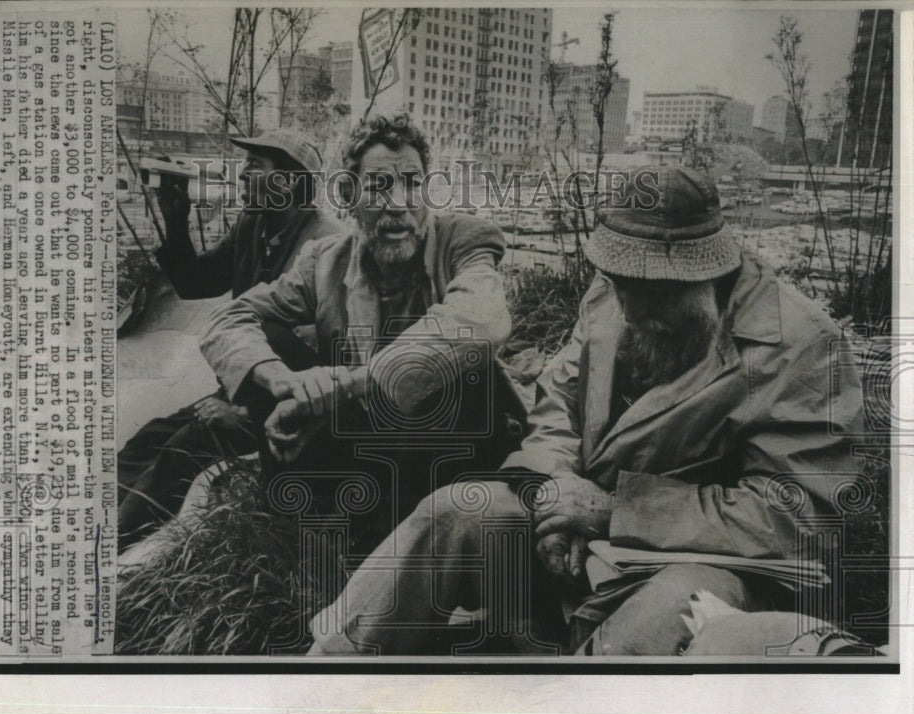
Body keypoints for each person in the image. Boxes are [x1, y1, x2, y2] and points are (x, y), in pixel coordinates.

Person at [306, 165, 866, 656]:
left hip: (705, 567)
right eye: (622, 283)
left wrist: (615, 511)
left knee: (660, 618)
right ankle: (323, 671)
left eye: (655, 291)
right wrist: (553, 490)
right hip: (580, 535)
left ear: (709, 272)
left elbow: (798, 519)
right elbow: (558, 404)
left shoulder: (801, 343)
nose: (632, 308)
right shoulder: (611, 291)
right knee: (454, 511)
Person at [199, 114, 518, 556]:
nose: (397, 204)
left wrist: (346, 384)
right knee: (272, 336)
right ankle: (295, 525)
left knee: (468, 369)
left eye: (411, 183)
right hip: (360, 436)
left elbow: (479, 319)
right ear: (349, 197)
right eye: (377, 186)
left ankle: (403, 542)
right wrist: (282, 381)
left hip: (442, 452)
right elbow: (227, 319)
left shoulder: (462, 239)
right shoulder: (326, 259)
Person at [118, 128, 343, 549]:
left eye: (254, 168)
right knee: (145, 440)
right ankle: (94, 529)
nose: (242, 176)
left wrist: (244, 413)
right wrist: (175, 219)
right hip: (242, 387)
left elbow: (321, 359)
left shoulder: (328, 243)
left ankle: (110, 547)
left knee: (178, 453)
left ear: (288, 182)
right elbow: (195, 282)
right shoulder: (254, 224)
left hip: (293, 411)